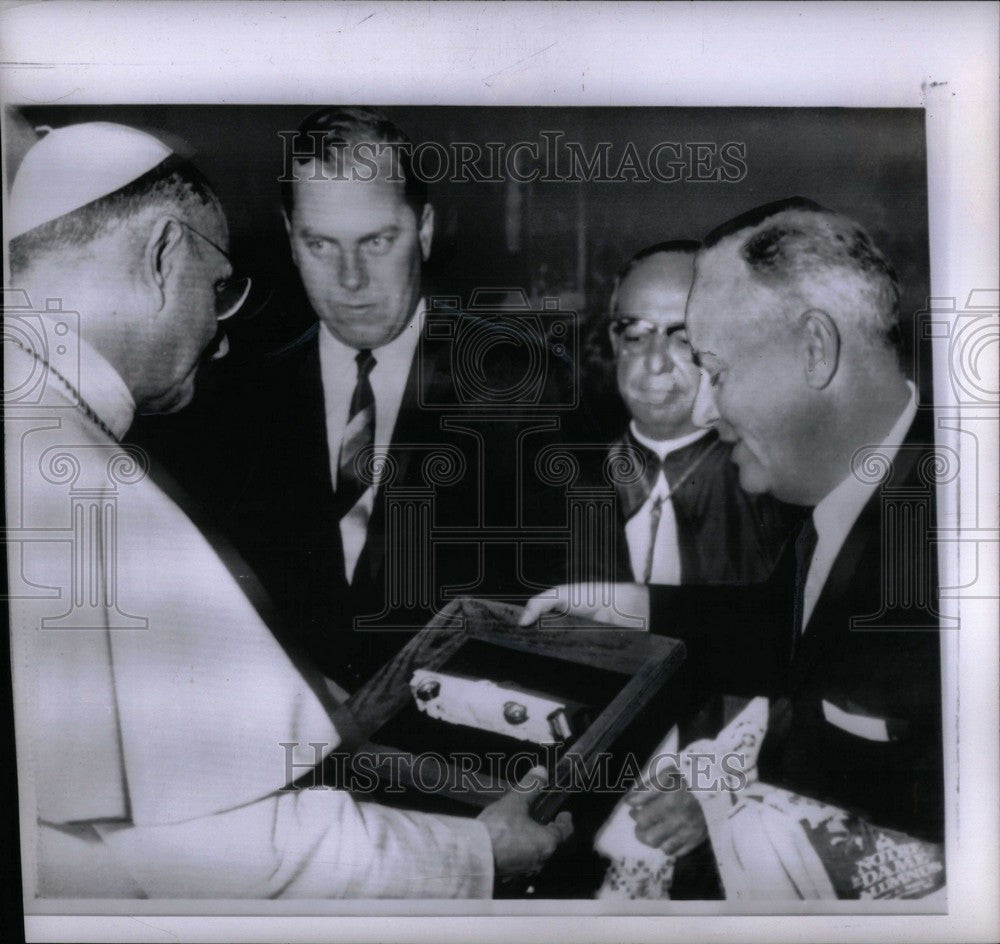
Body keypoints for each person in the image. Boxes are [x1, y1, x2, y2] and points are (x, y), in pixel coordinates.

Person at [3, 121, 571, 899]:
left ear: (424, 231)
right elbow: (234, 849)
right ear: (165, 256)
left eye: (377, 240)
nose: (221, 333)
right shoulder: (97, 482)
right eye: (217, 288)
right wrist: (476, 855)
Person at [521, 198, 944, 861]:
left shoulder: (956, 544)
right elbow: (789, 631)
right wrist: (631, 608)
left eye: (715, 369)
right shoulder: (858, 490)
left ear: (814, 350)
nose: (704, 407)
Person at [219, 107, 581, 690]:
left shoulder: (523, 390)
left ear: (426, 230)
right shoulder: (235, 399)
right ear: (289, 239)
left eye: (377, 240)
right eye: (319, 244)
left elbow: (554, 613)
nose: (351, 278)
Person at [589, 240, 798, 586]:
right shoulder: (559, 488)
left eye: (683, 338)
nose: (655, 362)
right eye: (635, 335)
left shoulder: (775, 497)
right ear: (615, 342)